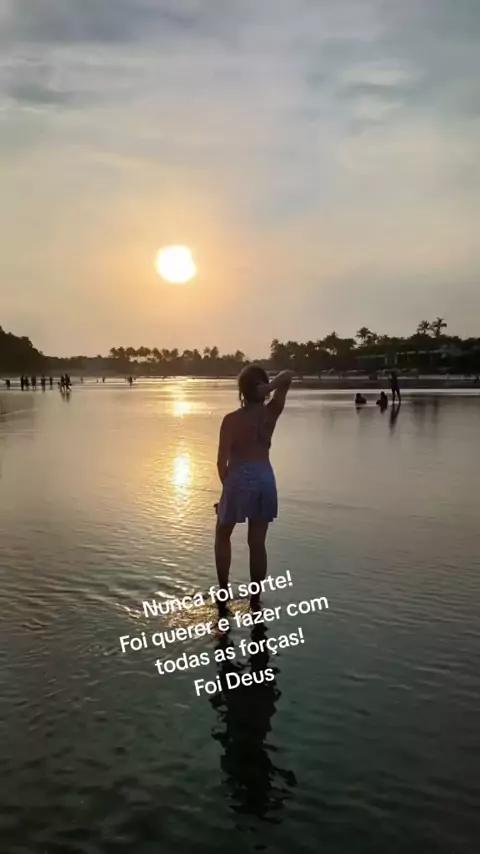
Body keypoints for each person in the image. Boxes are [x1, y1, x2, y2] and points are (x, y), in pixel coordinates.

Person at [214, 366, 294, 610]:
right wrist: (268, 389)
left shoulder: (231, 420)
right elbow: (288, 376)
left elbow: (221, 463)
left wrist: (227, 494)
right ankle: (255, 599)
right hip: (264, 479)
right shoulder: (271, 412)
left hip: (238, 477)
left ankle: (223, 592)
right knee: (257, 543)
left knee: (223, 534)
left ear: (242, 390)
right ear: (261, 387)